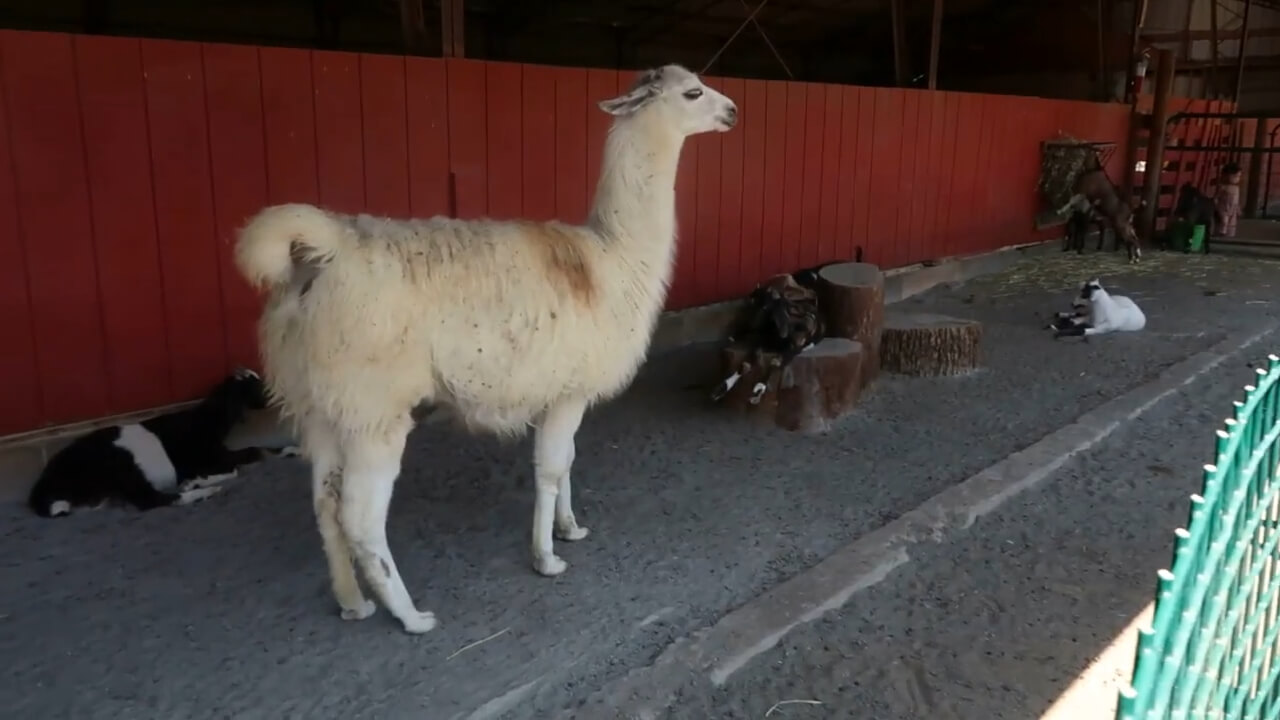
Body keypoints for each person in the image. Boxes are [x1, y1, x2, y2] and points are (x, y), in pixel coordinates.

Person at [1215, 161, 1242, 238]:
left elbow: (1237, 200)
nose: (1237, 179)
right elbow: (1216, 197)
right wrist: (1216, 206)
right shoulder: (1222, 187)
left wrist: (1238, 208)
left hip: (1233, 208)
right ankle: (1221, 233)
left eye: (1239, 176)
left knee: (1232, 223)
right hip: (1223, 208)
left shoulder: (1236, 188)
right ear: (1226, 176)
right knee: (1224, 221)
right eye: (1235, 176)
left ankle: (1229, 235)